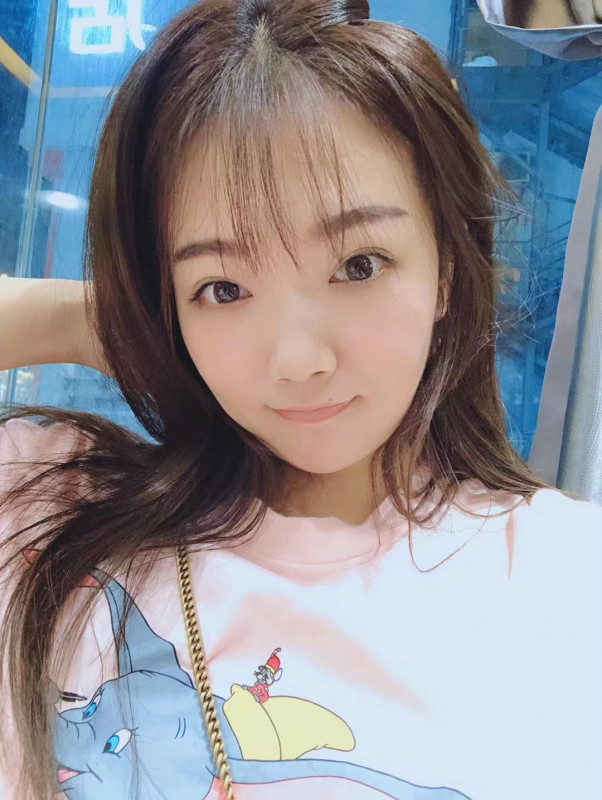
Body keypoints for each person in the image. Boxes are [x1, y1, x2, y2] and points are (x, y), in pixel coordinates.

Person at [0, 1, 601, 798]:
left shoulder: (568, 582)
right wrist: (109, 323)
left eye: (359, 265)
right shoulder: (45, 512)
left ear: (447, 271)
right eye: (222, 288)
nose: (299, 360)